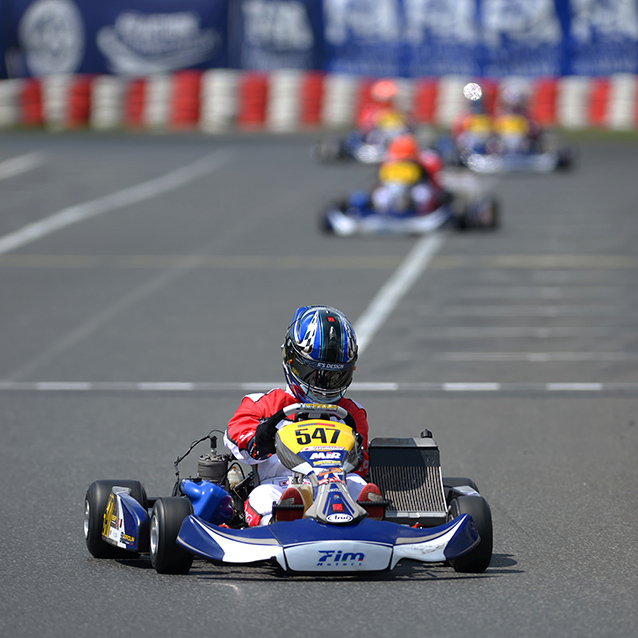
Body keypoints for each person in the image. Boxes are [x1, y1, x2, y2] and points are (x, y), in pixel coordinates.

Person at [224, 305, 382, 526]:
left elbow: (361, 466)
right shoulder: (263, 404)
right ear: (292, 360)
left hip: (337, 483)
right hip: (282, 484)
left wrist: (356, 455)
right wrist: (259, 439)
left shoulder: (352, 412)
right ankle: (280, 521)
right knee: (262, 497)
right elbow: (234, 439)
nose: (323, 385)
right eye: (314, 374)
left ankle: (369, 517)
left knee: (358, 484)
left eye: (334, 377)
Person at [371, 133, 448, 215]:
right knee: (380, 195)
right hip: (391, 190)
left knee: (422, 193)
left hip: (412, 192)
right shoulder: (386, 164)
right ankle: (383, 211)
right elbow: (379, 182)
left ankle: (423, 211)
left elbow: (431, 182)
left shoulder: (422, 164)